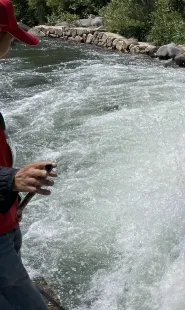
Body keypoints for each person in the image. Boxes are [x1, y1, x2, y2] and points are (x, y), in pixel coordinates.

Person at [1, 0, 56, 308]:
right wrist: (11, 179)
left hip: (6, 222)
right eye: (9, 39)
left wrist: (14, 181)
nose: (8, 56)